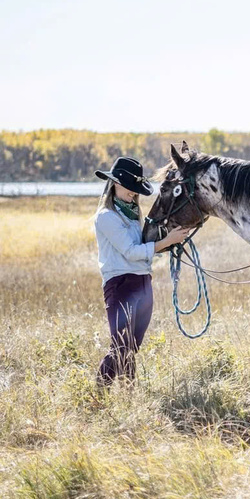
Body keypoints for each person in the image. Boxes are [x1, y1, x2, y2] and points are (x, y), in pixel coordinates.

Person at [94, 156, 189, 387]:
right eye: (130, 188)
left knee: (131, 345)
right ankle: (99, 390)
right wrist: (165, 241)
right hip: (120, 284)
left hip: (142, 282)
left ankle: (129, 393)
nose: (134, 194)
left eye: (136, 190)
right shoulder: (106, 217)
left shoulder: (131, 215)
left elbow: (141, 249)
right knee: (121, 344)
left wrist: (168, 243)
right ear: (115, 183)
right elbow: (130, 251)